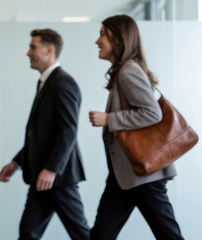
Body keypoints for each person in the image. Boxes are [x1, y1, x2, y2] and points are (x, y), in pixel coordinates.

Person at [89, 15, 184, 240]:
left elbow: (152, 112)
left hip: (143, 175)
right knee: (101, 235)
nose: (97, 41)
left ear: (119, 39)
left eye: (103, 34)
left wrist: (109, 119)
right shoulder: (124, 71)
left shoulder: (128, 71)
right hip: (125, 175)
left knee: (168, 235)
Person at [0, 28, 89, 240]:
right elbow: (39, 134)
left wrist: (51, 169)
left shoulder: (63, 83)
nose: (28, 53)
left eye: (32, 47)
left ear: (49, 50)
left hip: (58, 179)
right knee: (28, 233)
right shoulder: (46, 82)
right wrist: (16, 163)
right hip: (42, 177)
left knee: (81, 234)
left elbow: (68, 131)